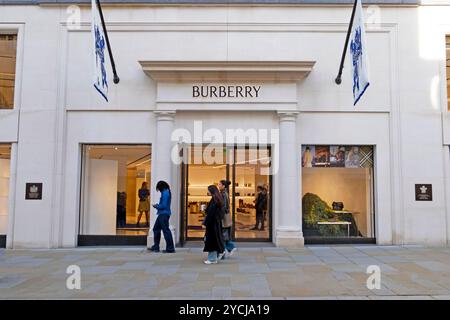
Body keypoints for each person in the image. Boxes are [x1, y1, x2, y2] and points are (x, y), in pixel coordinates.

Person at [149, 181, 175, 253]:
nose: (158, 190)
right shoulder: (166, 192)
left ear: (161, 187)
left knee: (166, 231)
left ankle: (170, 248)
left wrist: (156, 206)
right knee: (156, 229)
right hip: (163, 214)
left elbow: (164, 205)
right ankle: (156, 246)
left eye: (158, 188)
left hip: (164, 214)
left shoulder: (165, 193)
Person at [203, 185, 225, 264]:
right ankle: (215, 257)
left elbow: (211, 214)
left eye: (208, 190)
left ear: (212, 191)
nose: (207, 191)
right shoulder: (217, 199)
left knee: (211, 240)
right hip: (215, 223)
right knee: (214, 240)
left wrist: (205, 223)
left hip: (212, 224)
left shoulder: (214, 201)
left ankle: (211, 259)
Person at [218, 180, 236, 259]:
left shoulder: (223, 194)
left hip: (224, 217)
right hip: (225, 216)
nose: (218, 185)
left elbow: (224, 207)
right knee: (224, 235)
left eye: (219, 184)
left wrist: (219, 216)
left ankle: (229, 248)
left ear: (223, 186)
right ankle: (228, 248)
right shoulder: (225, 193)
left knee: (223, 234)